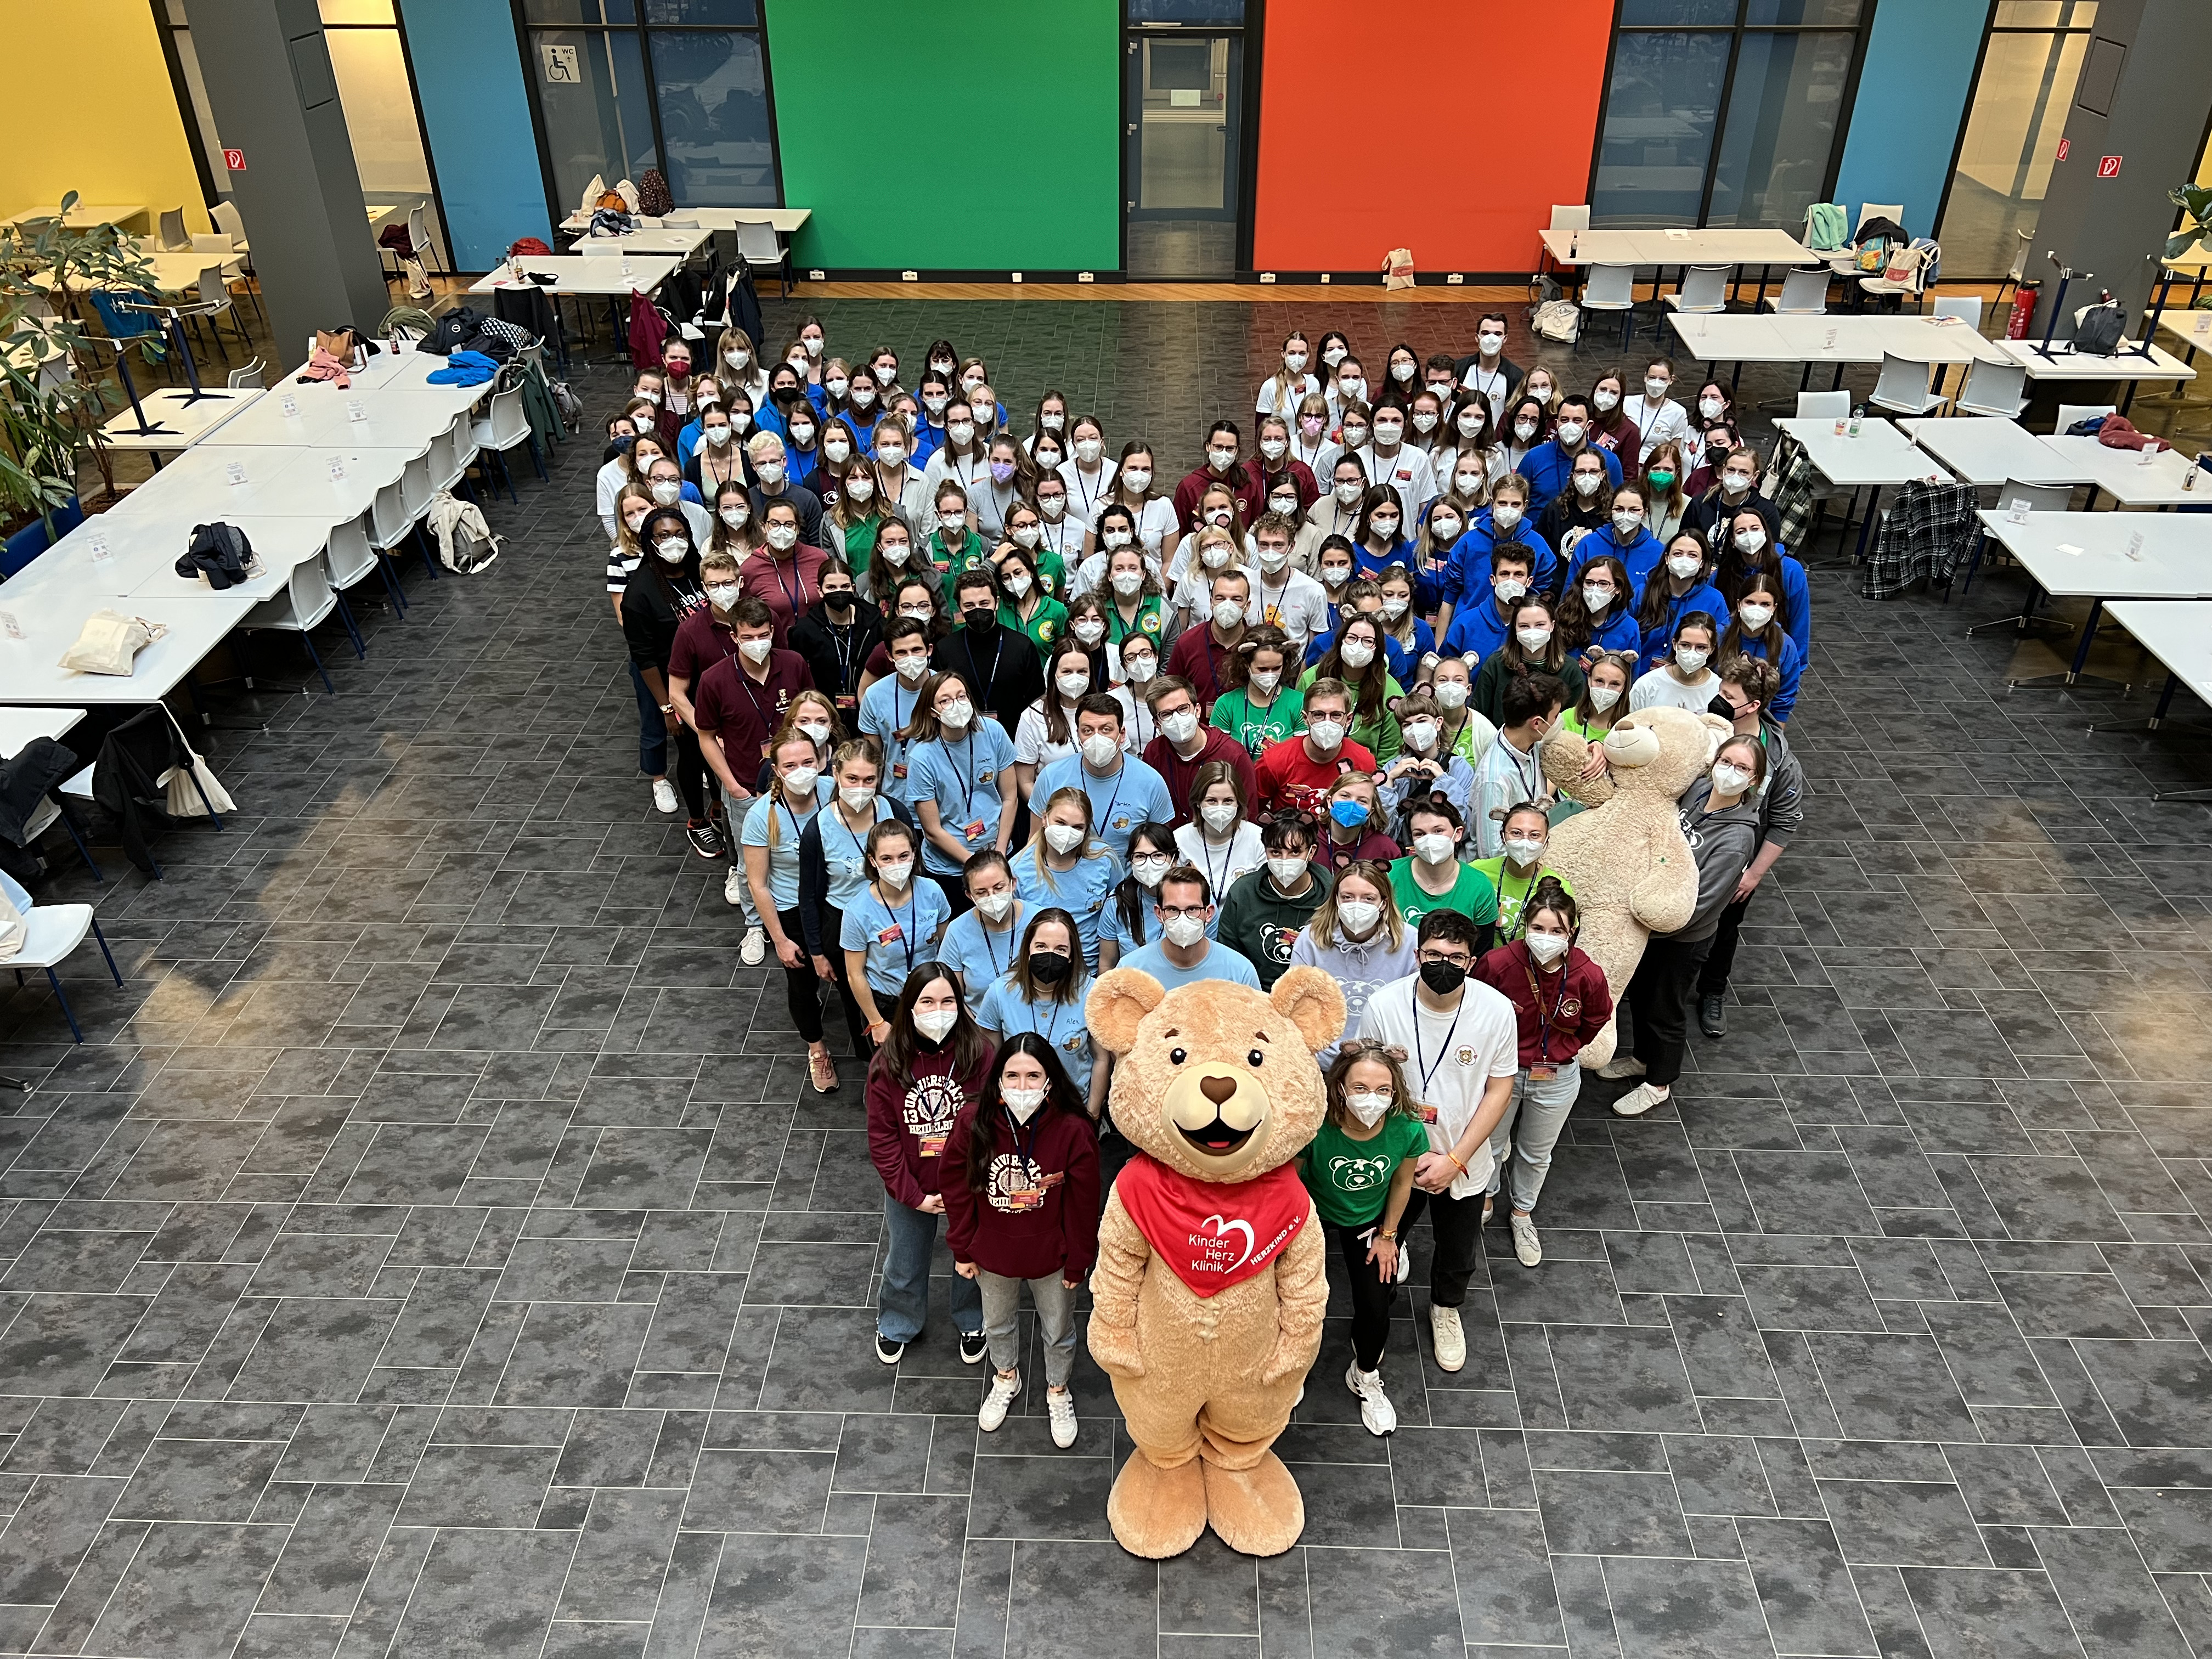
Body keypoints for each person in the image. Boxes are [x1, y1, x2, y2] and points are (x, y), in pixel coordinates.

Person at [1355, 909, 1520, 1374]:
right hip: (1394, 1154)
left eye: (1455, 956)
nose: (1442, 963)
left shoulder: (1495, 1010)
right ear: (1417, 952)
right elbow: (1364, 1084)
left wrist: (1454, 1158)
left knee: (1457, 1247)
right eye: (1432, 954)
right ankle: (1375, 1315)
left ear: (1472, 961)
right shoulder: (1384, 1006)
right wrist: (1413, 1150)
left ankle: (1446, 1309)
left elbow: (1500, 1089)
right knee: (1383, 1238)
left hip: (1462, 1158)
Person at [944, 1034, 1099, 1445]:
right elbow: (956, 1187)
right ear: (998, 1078)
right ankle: (1006, 1376)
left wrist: (1078, 1260)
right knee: (996, 1324)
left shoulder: (1073, 1129)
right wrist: (962, 1247)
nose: (1022, 1086)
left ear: (1050, 1080)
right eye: (1012, 1075)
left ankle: (1058, 1390)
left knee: (1059, 1329)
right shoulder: (972, 1121)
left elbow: (1084, 1203)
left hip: (1053, 1257)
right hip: (992, 1253)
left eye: (1033, 1076)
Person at [1613, 736, 1764, 1119]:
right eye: (1726, 761)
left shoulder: (1737, 838)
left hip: (1681, 935)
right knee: (1644, 996)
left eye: (1742, 768)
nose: (1730, 772)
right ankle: (1643, 1058)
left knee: (1666, 1007)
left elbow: (1704, 901)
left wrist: (1649, 926)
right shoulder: (1698, 791)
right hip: (1652, 920)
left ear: (1754, 780)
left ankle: (1659, 1083)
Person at [1472, 880, 1613, 1267]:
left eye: (1557, 931)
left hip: (1556, 1076)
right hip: (1501, 1074)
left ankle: (1521, 1214)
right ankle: (1484, 1198)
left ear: (1572, 932)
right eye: (1538, 928)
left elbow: (1597, 1017)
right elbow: (1476, 1010)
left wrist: (1567, 1048)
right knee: (1490, 1143)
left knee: (1536, 1153)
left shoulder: (1587, 974)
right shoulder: (1499, 964)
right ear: (1525, 927)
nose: (1546, 938)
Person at [867, 963, 992, 1365]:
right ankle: (898, 1321)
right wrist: (912, 1195)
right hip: (911, 1186)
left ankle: (973, 1319)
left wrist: (970, 1184)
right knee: (905, 1259)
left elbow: (992, 1127)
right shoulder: (887, 1065)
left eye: (948, 1001)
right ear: (910, 1006)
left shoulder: (981, 1055)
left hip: (969, 1184)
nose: (938, 1010)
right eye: (927, 1001)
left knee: (973, 1256)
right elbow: (883, 1140)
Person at [1300, 1039, 1426, 1435]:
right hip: (1314, 1215)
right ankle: (1285, 1373)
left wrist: (1389, 1237)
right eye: (1361, 1088)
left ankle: (1365, 1375)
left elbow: (1404, 1183)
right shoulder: (1315, 1125)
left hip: (1369, 1222)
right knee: (1295, 1301)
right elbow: (1292, 1181)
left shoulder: (1407, 1128)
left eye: (1383, 1090)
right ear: (1340, 1087)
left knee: (1376, 1306)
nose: (1372, 1099)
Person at [693, 597, 816, 939]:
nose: (757, 643)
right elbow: (706, 738)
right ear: (735, 637)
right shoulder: (714, 679)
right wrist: (733, 786)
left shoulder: (793, 664)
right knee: (751, 866)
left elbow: (813, 715)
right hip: (747, 785)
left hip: (799, 781)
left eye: (763, 635)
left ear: (773, 632)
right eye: (748, 637)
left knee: (803, 852)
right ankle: (754, 925)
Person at [1697, 656, 1804, 1040]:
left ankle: (1712, 990)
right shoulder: (1702, 730)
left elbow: (1785, 821)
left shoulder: (1779, 760)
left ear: (1754, 706)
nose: (1719, 700)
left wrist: (1754, 875)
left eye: (1729, 696)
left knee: (1724, 929)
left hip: (1735, 860)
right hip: (1687, 841)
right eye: (1720, 692)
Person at [746, 732, 842, 1093]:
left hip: (835, 902)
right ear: (777, 771)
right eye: (790, 765)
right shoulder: (762, 816)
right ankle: (817, 1047)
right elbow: (758, 884)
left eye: (808, 763)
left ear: (820, 762)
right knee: (801, 984)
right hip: (792, 910)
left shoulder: (835, 791)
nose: (801, 771)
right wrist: (781, 940)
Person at [799, 740, 904, 1058]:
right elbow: (809, 896)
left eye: (869, 780)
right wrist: (817, 952)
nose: (861, 787)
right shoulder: (818, 830)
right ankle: (870, 1058)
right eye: (852, 780)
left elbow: (912, 866)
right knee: (853, 993)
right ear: (835, 775)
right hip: (843, 925)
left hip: (893, 915)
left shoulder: (893, 812)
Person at [621, 506, 712, 842]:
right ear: (650, 542)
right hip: (677, 687)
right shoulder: (640, 594)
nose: (674, 542)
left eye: (680, 534)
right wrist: (667, 708)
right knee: (690, 753)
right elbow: (643, 658)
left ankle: (718, 808)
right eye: (664, 536)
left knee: (715, 749)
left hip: (712, 680)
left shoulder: (698, 572)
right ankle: (699, 821)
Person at [977, 909, 1105, 1118]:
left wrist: (1092, 1114)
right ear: (1028, 948)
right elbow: (990, 1059)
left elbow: (1101, 1058)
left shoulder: (1092, 993)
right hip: (1015, 1110)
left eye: (1061, 949)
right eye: (1041, 946)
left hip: (1073, 1113)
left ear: (1072, 955)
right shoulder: (1000, 993)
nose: (1049, 955)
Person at [908, 670, 1018, 913]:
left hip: (997, 852)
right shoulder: (921, 756)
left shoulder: (993, 731)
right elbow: (933, 830)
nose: (956, 705)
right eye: (945, 701)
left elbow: (1010, 798)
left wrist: (999, 855)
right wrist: (976, 865)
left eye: (961, 696)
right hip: (950, 868)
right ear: (932, 711)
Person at [661, 545, 746, 859]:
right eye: (714, 586)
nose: (722, 591)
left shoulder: (759, 621)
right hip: (713, 727)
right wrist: (708, 732)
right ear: (704, 588)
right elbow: (676, 693)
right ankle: (725, 853)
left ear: (741, 582)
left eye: (728, 583)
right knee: (722, 789)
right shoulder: (691, 631)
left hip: (754, 725)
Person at [1289, 861, 1418, 1065]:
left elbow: (1414, 1008)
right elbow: (1297, 1005)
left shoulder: (1410, 941)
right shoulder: (1311, 939)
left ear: (1383, 903)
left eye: (1368, 898)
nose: (1357, 905)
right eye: (1348, 897)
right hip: (1322, 1060)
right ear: (1337, 901)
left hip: (1386, 1061)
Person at [842, 822, 950, 1050]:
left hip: (932, 997)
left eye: (903, 856)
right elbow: (854, 974)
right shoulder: (858, 911)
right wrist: (877, 1022)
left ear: (914, 853)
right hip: (887, 1004)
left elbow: (948, 949)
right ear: (873, 861)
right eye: (887, 859)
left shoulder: (932, 891)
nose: (897, 865)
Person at [1032, 695, 1173, 860]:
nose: (1096, 738)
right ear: (1078, 735)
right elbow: (1035, 844)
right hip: (1063, 881)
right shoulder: (1051, 777)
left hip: (1127, 883)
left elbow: (1162, 852)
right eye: (1088, 731)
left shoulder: (1151, 782)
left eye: (1106, 730)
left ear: (1121, 735)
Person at [1009, 784, 1122, 970]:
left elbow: (1117, 908)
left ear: (1087, 831)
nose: (1067, 832)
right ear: (1045, 819)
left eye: (1077, 827)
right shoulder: (1018, 868)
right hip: (1039, 971)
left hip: (1089, 971)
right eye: (1060, 823)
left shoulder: (1104, 860)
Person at [1216, 811, 1333, 989]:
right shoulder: (1242, 893)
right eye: (1276, 852)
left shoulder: (1331, 895)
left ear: (1311, 852)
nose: (1285, 860)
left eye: (1295, 852)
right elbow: (1229, 957)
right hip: (1254, 996)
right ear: (1266, 852)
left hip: (1313, 995)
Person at [934, 567, 1046, 733]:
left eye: (984, 603)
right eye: (969, 605)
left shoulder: (1022, 646)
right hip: (962, 737)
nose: (978, 610)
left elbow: (1036, 701)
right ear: (959, 607)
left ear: (997, 603)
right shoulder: (945, 649)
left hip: (1015, 738)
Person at [1116, 866, 1260, 991]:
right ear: (1159, 914)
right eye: (1173, 910)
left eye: (1192, 909)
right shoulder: (1129, 970)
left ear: (1209, 913)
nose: (1182, 918)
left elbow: (1256, 1022)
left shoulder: (1240, 971)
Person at [1143, 675, 1259, 827]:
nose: (1177, 718)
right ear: (1158, 724)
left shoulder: (1233, 755)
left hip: (1224, 841)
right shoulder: (1154, 753)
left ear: (1197, 710)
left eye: (1183, 709)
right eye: (1167, 714)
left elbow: (1249, 815)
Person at [1470, 675, 1564, 859]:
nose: (1559, 721)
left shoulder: (1530, 740)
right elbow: (1493, 853)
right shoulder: (1494, 779)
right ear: (1537, 723)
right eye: (1555, 716)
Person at [1255, 679, 1373, 815]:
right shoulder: (1274, 760)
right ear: (1306, 718)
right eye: (1318, 715)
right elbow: (1254, 809)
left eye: (1336, 715)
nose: (1327, 723)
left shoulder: (1364, 762)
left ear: (1348, 719)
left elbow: (1368, 812)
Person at [1472, 799, 1577, 949]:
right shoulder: (1477, 872)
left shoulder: (1559, 886)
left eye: (1535, 835)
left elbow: (1566, 938)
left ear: (1546, 841)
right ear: (1503, 836)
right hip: (1482, 963)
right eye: (1516, 833)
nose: (1525, 841)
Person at [787, 559, 879, 728]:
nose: (839, 592)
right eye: (831, 588)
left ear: (853, 588)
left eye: (845, 587)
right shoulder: (805, 630)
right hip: (824, 716)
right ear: (820, 591)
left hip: (870, 711)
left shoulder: (875, 623)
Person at [1470, 596, 1588, 727]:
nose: (1532, 631)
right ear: (1515, 628)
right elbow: (1478, 715)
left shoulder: (1570, 669)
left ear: (1552, 626)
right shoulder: (1496, 664)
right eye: (1524, 626)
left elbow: (1574, 721)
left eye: (1540, 625)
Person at [1388, 798, 1498, 937]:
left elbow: (1482, 949)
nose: (1429, 840)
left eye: (1438, 831)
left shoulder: (1478, 885)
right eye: (1420, 834)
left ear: (1458, 834)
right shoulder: (1389, 875)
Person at [1300, 614, 1403, 763]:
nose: (1358, 646)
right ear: (1341, 640)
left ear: (1377, 648)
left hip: (1363, 774)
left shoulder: (1392, 694)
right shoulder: (1311, 678)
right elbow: (1299, 731)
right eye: (1352, 638)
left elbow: (1389, 757)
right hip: (1311, 764)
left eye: (1368, 641)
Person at [1714, 512, 1812, 665]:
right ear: (1733, 541)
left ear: (1765, 534)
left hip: (1775, 658)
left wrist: (1795, 666)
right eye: (1741, 531)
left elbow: (1800, 623)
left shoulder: (1791, 570)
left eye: (1755, 529)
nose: (1749, 536)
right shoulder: (1723, 573)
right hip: (1729, 659)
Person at [859, 618, 932, 810]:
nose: (910, 658)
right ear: (890, 657)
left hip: (943, 802)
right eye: (901, 652)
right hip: (896, 801)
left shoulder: (947, 690)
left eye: (917, 650)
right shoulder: (874, 695)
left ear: (929, 650)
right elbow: (872, 757)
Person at [1379, 692, 1477, 826]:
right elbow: (1381, 829)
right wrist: (1388, 783)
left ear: (1438, 723)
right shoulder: (1392, 768)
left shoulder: (1459, 767)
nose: (1414, 729)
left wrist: (1443, 781)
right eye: (1407, 725)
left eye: (1422, 721)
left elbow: (1463, 826)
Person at [1517, 394, 1623, 518]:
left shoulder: (1609, 461)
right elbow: (1515, 498)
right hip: (1540, 534)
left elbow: (1618, 505)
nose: (1570, 426)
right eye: (1565, 420)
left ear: (1589, 425)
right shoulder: (1534, 457)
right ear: (1557, 423)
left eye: (1577, 421)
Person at [940, 849, 1026, 1000]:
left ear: (1013, 883)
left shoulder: (1039, 921)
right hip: (976, 1021)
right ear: (970, 896)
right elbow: (952, 998)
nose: (992, 897)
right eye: (981, 892)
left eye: (999, 888)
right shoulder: (956, 931)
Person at [1715, 574, 1803, 723]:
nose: (1757, 610)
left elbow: (1785, 697)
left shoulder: (1785, 646)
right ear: (1739, 605)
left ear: (1774, 608)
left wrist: (1774, 738)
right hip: (1718, 717)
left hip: (1761, 722)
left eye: (1765, 604)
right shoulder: (1718, 637)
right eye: (1750, 602)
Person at [1209, 625, 1305, 760]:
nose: (1270, 675)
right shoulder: (1226, 704)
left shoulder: (1299, 702)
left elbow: (1302, 757)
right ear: (1246, 665)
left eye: (1277, 668)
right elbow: (1218, 758)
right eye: (1262, 669)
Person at [1174, 760, 1265, 902]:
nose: (1220, 808)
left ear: (1238, 803)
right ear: (1198, 803)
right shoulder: (1179, 840)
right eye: (1211, 801)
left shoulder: (1259, 839)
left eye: (1228, 801)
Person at [1166, 568, 1252, 714]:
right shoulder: (1187, 643)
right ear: (1211, 602)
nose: (1227, 605)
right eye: (1220, 598)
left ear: (1247, 606)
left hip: (1245, 731)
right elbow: (1171, 692)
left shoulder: (1256, 646)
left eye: (1236, 599)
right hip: (1199, 731)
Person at [1633, 541, 1726, 674]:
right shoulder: (1643, 593)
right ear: (1667, 558)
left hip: (1692, 680)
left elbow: (1719, 646)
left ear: (1702, 563)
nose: (1684, 559)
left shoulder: (1715, 600)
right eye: (1678, 554)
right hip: (1641, 678)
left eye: (1692, 555)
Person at [1440, 544, 1538, 668]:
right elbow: (1444, 672)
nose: (1511, 581)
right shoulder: (1464, 624)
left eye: (1519, 575)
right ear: (1493, 580)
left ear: (1529, 581)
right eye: (1504, 574)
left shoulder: (1537, 628)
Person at [1097, 821, 1176, 968]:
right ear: (1131, 861)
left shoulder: (1198, 901)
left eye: (1158, 855)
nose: (1149, 863)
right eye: (1140, 856)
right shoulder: (1117, 902)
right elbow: (1107, 966)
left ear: (1174, 860)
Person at [1681, 445, 1780, 554]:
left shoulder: (1766, 510)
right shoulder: (1700, 503)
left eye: (1744, 472)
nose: (1735, 476)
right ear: (1724, 471)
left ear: (1755, 476)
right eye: (1731, 470)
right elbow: (1684, 542)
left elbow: (1770, 553)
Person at [1173, 420, 1263, 533]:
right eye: (1219, 447)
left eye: (1230, 448)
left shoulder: (1248, 484)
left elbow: (1256, 527)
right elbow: (1179, 531)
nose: (1224, 453)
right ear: (1208, 447)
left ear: (1237, 451)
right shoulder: (1189, 486)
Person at [1554, 555, 1643, 663]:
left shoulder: (1629, 627)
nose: (1595, 589)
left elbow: (1631, 674)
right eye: (1589, 583)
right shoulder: (1564, 616)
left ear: (1618, 589)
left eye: (1603, 584)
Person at [1629, 612, 1723, 713]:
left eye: (1701, 647)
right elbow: (1631, 724)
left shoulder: (1718, 689)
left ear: (1712, 649)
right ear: (1675, 644)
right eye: (1685, 645)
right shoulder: (1647, 685)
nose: (1692, 653)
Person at [747, 431, 824, 546]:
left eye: (773, 461)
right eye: (762, 463)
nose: (769, 467)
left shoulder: (807, 499)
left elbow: (817, 546)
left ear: (784, 461)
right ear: (754, 466)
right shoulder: (747, 501)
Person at [1426, 656, 1499, 769]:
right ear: (1433, 688)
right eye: (1443, 680)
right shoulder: (1422, 723)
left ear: (1469, 689)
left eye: (1458, 680)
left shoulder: (1486, 731)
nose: (1450, 686)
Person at [1453, 312, 1522, 420]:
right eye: (1485, 333)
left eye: (1498, 334)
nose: (1491, 339)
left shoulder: (1516, 376)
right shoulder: (1459, 368)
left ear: (1505, 339)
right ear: (1477, 337)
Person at [1624, 357, 1691, 466]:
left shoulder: (1678, 412)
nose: (1656, 383)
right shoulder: (1627, 402)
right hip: (1626, 464)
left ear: (1671, 380)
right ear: (1645, 377)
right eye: (1652, 377)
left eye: (1663, 379)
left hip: (1654, 469)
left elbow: (1674, 453)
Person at [1257, 330, 1321, 417]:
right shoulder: (1270, 386)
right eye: (1292, 353)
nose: (1297, 357)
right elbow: (1261, 426)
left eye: (1302, 353)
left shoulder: (1314, 383)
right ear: (1283, 354)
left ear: (1308, 354)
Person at [1587, 368, 1643, 462]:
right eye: (1603, 389)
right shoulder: (1580, 418)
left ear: (1620, 397)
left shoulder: (1629, 430)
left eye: (1614, 392)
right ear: (1595, 390)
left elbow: (1629, 473)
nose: (1606, 395)